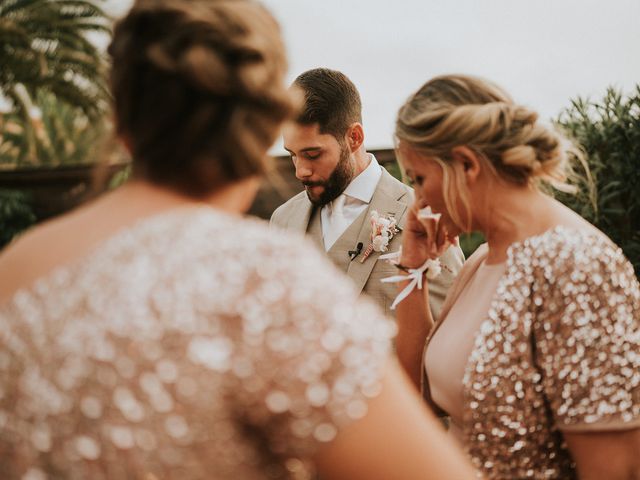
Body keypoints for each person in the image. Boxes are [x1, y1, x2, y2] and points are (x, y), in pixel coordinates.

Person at [0, 2, 477, 479]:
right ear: (258, 129)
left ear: (122, 125)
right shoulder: (265, 275)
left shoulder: (16, 266)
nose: (300, 168)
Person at [393, 74, 640, 479]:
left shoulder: (575, 265)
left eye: (419, 179)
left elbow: (618, 468)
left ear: (467, 164)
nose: (418, 200)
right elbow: (418, 399)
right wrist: (412, 270)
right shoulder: (483, 259)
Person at [270, 68, 463, 319]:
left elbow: (448, 330)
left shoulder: (427, 215)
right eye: (292, 155)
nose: (300, 171)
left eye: (313, 154)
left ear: (354, 137)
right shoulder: (282, 220)